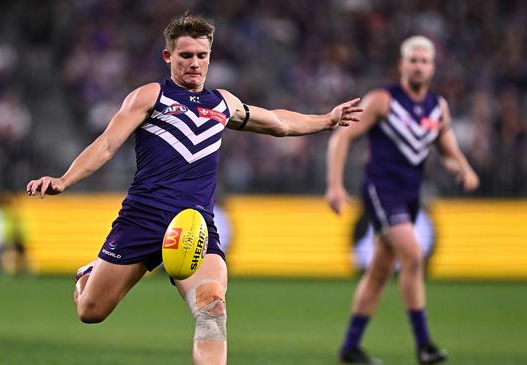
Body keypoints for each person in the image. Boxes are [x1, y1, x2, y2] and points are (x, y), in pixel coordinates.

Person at [27, 14, 361, 365]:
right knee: (91, 311)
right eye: (186, 55)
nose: (195, 63)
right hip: (143, 219)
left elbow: (278, 122)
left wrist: (326, 120)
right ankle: (89, 273)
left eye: (202, 55)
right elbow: (107, 144)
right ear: (168, 57)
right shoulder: (150, 96)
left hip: (194, 226)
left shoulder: (222, 103)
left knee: (212, 307)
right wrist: (64, 180)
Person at [325, 35, 479, 365]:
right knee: (412, 254)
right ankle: (424, 344)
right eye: (413, 60)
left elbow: (448, 150)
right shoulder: (383, 100)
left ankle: (350, 348)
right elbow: (342, 136)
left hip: (410, 196)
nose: (419, 66)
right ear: (402, 64)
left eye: (425, 61)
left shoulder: (438, 107)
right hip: (382, 191)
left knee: (380, 271)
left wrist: (462, 169)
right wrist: (335, 186)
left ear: (433, 67)